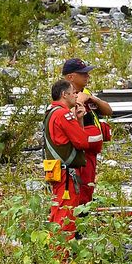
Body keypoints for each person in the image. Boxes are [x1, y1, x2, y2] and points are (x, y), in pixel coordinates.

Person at [44, 78, 101, 238]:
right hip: (67, 176)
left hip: (57, 170)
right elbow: (82, 141)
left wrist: (80, 119)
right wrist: (78, 121)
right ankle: (62, 259)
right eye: (73, 93)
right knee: (66, 217)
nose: (76, 96)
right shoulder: (63, 115)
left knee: (57, 212)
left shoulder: (51, 111)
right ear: (64, 94)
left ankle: (53, 254)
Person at [62, 58, 112, 206]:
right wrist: (79, 102)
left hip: (90, 153)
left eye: (87, 73)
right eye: (83, 73)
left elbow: (108, 111)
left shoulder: (86, 93)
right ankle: (77, 223)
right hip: (77, 153)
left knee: (88, 189)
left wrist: (91, 99)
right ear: (70, 77)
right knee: (78, 190)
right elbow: (67, 120)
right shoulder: (64, 95)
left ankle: (84, 218)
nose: (87, 76)